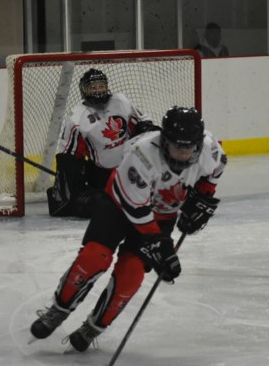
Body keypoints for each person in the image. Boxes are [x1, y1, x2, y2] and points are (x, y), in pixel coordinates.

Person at [30, 106, 228, 352]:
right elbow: (135, 207)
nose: (184, 154)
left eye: (189, 148)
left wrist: (202, 198)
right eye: (178, 147)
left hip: (160, 214)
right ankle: (58, 311)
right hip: (118, 207)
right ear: (164, 141)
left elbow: (217, 169)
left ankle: (93, 327)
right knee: (95, 257)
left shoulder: (210, 150)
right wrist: (160, 245)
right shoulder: (142, 153)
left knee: (132, 273)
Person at [46, 68, 158, 218]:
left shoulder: (120, 101)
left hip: (131, 166)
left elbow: (142, 122)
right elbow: (69, 154)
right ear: (84, 90)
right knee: (104, 206)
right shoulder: (77, 118)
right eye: (93, 87)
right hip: (102, 174)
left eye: (101, 86)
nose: (98, 91)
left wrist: (146, 127)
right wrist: (68, 181)